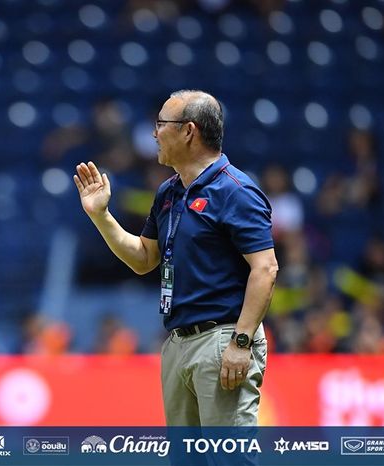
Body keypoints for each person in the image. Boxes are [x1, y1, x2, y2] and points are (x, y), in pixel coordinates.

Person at [73, 90, 278, 428]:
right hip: (178, 343)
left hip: (222, 341)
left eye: (161, 124)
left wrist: (241, 342)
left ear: (189, 131)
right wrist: (101, 216)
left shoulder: (235, 191)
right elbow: (143, 259)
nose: (154, 133)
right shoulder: (169, 192)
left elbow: (266, 267)